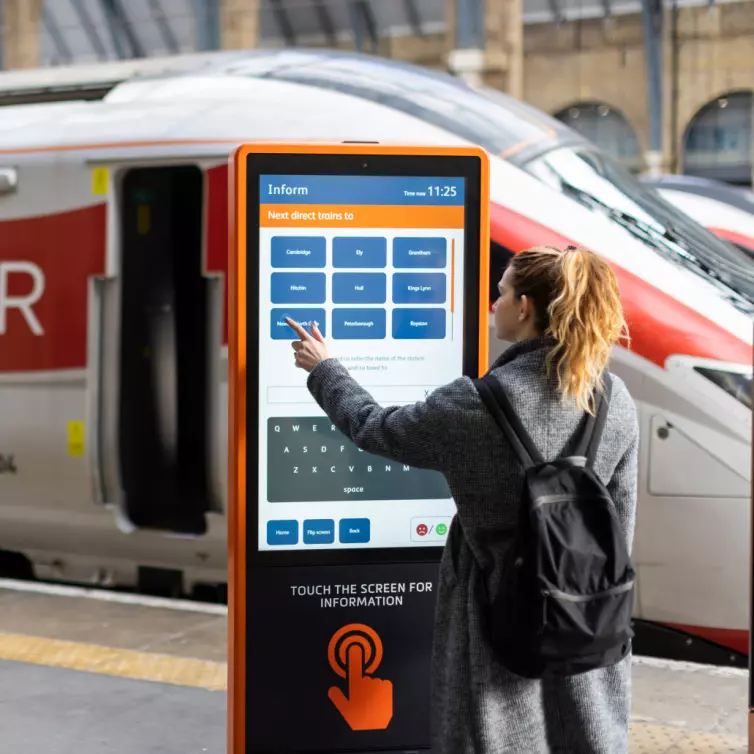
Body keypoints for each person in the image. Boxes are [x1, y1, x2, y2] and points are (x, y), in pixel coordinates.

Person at [285, 245, 639, 754]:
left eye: (500, 293)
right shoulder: (614, 398)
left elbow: (374, 428)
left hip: (492, 618)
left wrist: (324, 368)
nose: (493, 303)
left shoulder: (474, 404)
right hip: (591, 619)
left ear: (524, 309)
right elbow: (619, 526)